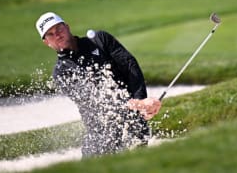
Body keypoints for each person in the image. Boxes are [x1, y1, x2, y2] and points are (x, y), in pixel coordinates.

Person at [35, 12, 161, 157]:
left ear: (67, 27)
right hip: (101, 135)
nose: (57, 35)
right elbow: (97, 102)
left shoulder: (100, 40)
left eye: (59, 29)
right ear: (46, 42)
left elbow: (130, 67)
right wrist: (140, 105)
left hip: (132, 123)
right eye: (50, 34)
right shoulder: (61, 73)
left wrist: (141, 100)